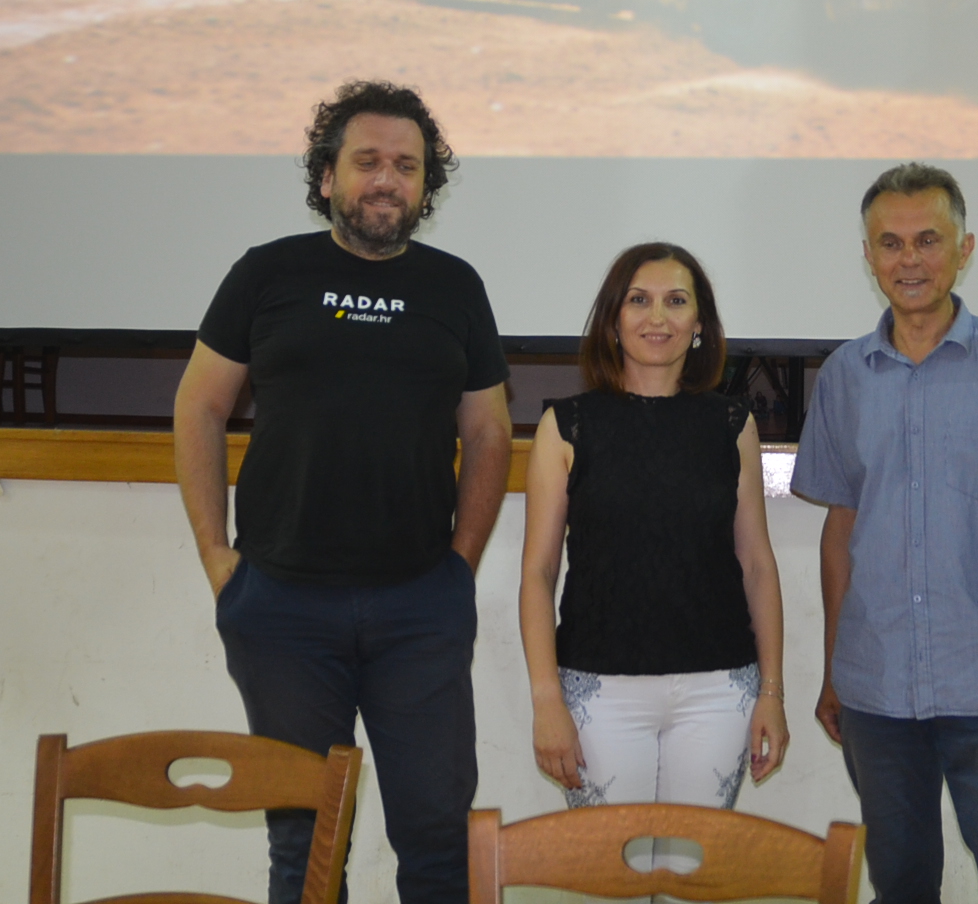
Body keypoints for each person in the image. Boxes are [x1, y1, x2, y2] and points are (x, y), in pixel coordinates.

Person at [173, 80, 512, 904]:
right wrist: (220, 559)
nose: (387, 179)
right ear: (327, 176)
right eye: (368, 162)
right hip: (282, 606)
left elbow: (490, 434)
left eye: (407, 165)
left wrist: (459, 567)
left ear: (426, 185)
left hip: (418, 609)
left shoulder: (455, 286)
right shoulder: (267, 273)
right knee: (303, 841)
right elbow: (200, 406)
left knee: (436, 840)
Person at [792, 163, 978, 904]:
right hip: (876, 691)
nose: (909, 259)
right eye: (890, 244)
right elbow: (841, 528)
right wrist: (834, 665)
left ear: (965, 248)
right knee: (902, 888)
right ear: (868, 258)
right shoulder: (842, 376)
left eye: (928, 240)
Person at [519, 241, 792, 817]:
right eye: (639, 300)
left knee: (691, 877)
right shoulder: (565, 425)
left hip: (720, 691)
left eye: (676, 301)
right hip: (597, 692)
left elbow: (757, 565)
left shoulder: (731, 424)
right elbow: (539, 574)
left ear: (699, 323)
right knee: (608, 879)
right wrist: (546, 698)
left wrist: (772, 691)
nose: (658, 317)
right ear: (613, 320)